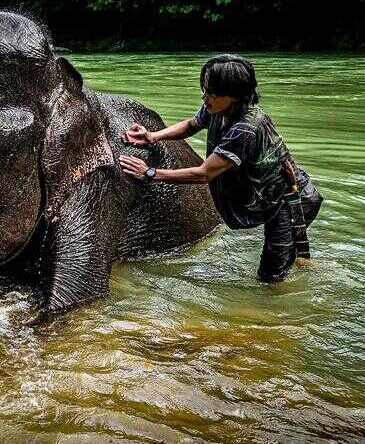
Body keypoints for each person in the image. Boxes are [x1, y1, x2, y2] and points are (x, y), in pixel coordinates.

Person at [118, 54, 323, 283]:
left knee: (270, 279)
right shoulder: (219, 109)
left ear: (235, 95)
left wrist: (150, 173)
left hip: (289, 201)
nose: (205, 97)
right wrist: (153, 136)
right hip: (270, 196)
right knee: (282, 259)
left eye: (212, 93)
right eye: (205, 90)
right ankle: (301, 260)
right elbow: (191, 125)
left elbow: (204, 173)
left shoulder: (245, 129)